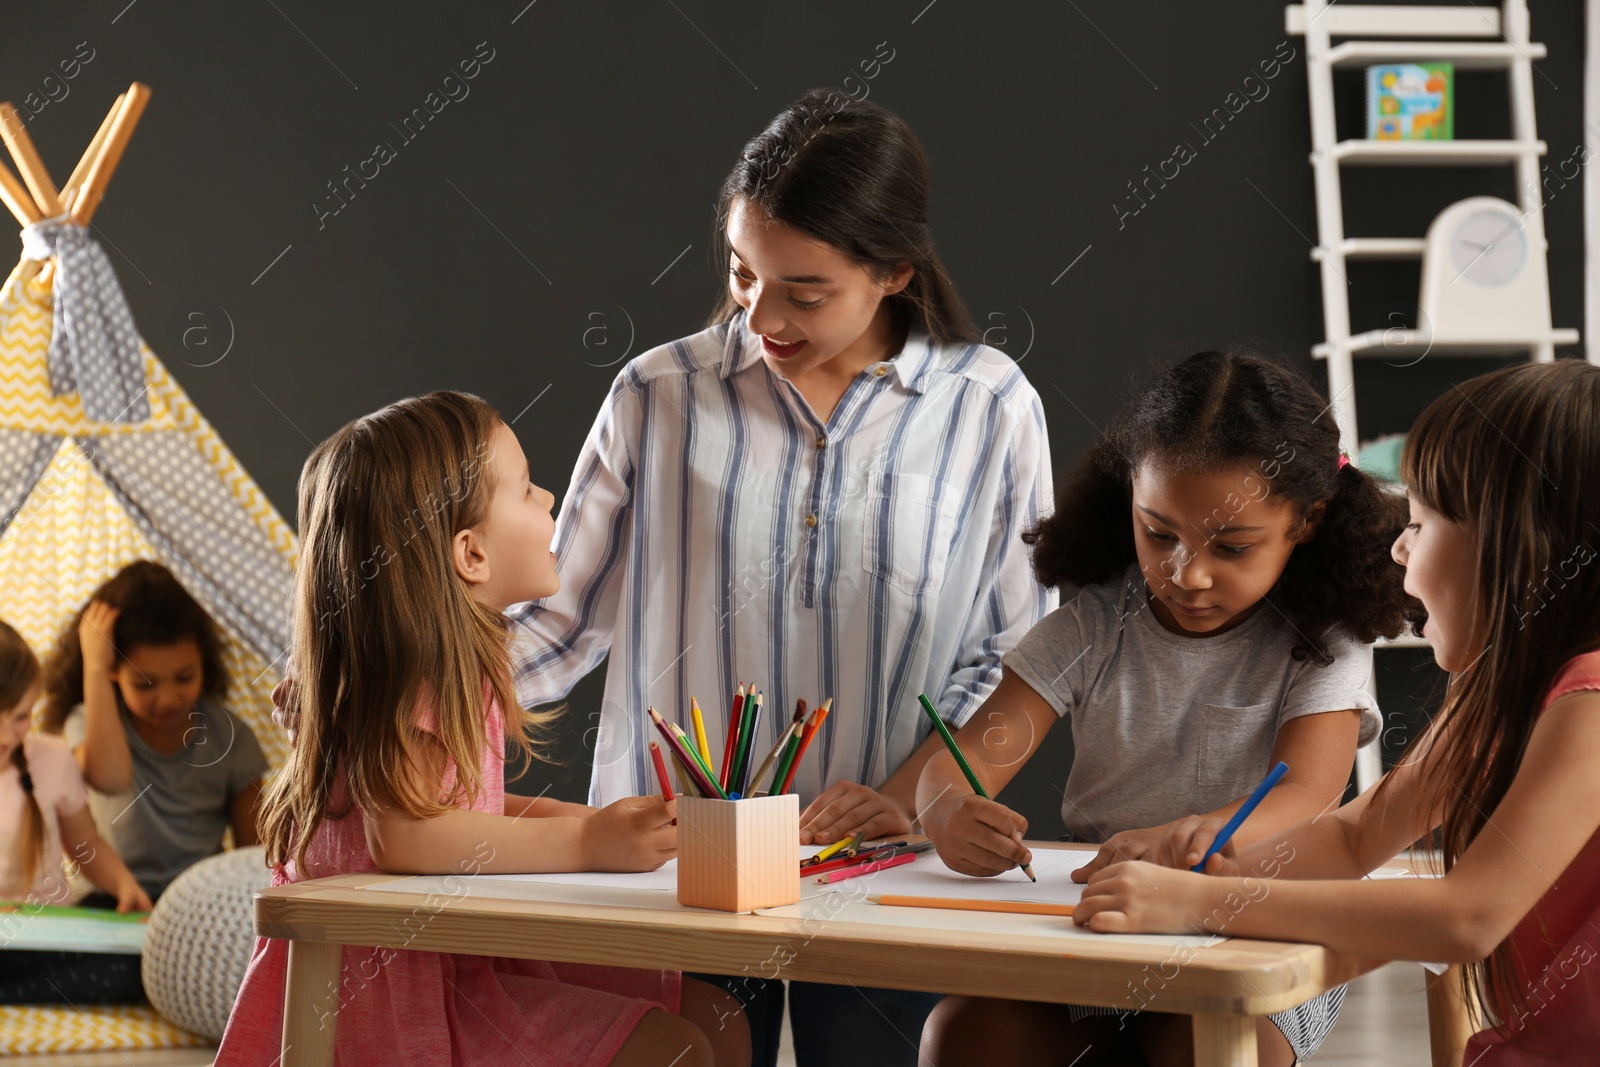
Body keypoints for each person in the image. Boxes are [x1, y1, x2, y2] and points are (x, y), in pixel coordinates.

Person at [508, 88, 1055, 1067]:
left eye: (803, 290)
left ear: (894, 270)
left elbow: (1019, 657)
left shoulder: (989, 408)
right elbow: (555, 621)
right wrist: (385, 688)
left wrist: (907, 796)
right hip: (680, 859)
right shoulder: (656, 394)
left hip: (886, 871)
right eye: (740, 273)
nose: (761, 313)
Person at [1074, 359, 1600, 1064]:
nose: (1401, 545)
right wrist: (1216, 874)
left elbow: (1468, 916)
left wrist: (1194, 904)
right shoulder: (1492, 698)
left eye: (1420, 521)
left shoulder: (1591, 700)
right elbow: (1357, 838)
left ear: (1515, 547)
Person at [917, 350, 1423, 1066]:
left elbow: (1308, 798)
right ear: (1130, 495)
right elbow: (961, 763)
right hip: (1106, 923)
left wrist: (1186, 840)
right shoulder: (1092, 626)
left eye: (1232, 545)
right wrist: (946, 809)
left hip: (1260, 920)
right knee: (962, 1034)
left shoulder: (1320, 642)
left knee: (1205, 1041)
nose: (1188, 573)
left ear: (1306, 522)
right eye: (1160, 533)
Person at [216, 391, 748, 1067]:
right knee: (679, 1047)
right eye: (526, 489)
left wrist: (587, 818)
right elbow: (407, 834)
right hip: (397, 986)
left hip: (444, 955)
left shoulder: (443, 657)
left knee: (713, 1018)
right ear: (470, 554)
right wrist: (585, 838)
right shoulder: (421, 669)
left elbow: (449, 808)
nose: (549, 497)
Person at [42, 560, 267, 902]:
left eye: (184, 677)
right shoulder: (89, 720)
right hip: (108, 901)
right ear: (115, 673)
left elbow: (253, 857)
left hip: (197, 902)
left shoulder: (230, 738)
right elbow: (109, 777)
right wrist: (95, 667)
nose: (166, 699)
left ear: (204, 665)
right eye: (144, 683)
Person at [0, 618, 151, 1004]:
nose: (6, 736)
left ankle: (16, 993)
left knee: (141, 967)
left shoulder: (51, 757)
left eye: (20, 716)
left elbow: (84, 842)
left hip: (46, 937)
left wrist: (123, 885)